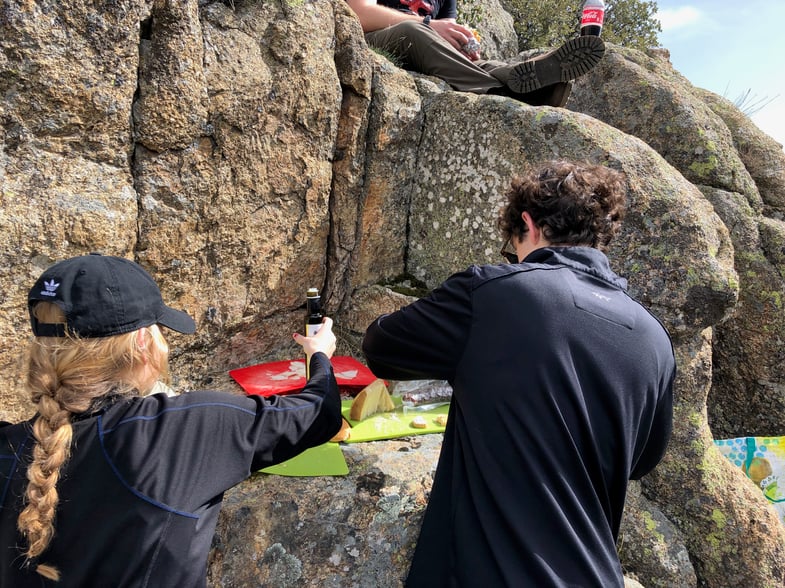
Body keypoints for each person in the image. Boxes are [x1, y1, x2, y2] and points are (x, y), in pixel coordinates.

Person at [362, 160, 675, 587]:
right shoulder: (654, 337)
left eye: (512, 248)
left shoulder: (493, 293)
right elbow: (642, 460)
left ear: (527, 224)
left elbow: (382, 348)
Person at [0, 253, 342, 586]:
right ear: (143, 342)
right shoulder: (179, 430)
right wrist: (319, 356)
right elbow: (317, 413)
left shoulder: (8, 448)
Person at [344, 0, 606, 107]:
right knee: (415, 32)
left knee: (487, 63)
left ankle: (540, 83)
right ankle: (502, 94)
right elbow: (358, 12)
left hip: (426, 46)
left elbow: (449, 30)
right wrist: (428, 24)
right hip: (375, 37)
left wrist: (464, 44)